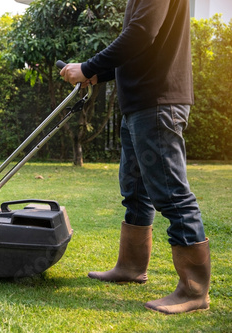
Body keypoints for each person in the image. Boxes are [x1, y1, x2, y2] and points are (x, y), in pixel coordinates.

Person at [60, 0, 210, 314]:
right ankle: (130, 267)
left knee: (170, 192)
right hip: (141, 103)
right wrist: (97, 76)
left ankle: (194, 290)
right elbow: (141, 49)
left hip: (157, 101)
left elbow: (141, 34)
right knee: (136, 191)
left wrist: (87, 67)